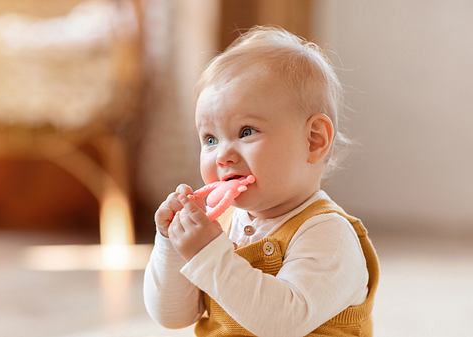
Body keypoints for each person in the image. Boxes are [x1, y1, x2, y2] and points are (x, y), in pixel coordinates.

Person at [143, 26, 380, 337]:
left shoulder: (328, 234)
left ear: (313, 140)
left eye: (246, 132)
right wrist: (172, 245)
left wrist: (208, 254)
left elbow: (282, 323)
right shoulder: (224, 224)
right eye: (210, 139)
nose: (222, 156)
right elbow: (172, 316)